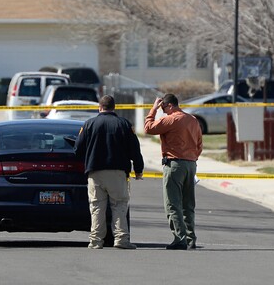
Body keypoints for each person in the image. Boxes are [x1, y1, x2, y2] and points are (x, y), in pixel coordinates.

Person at [74, 95, 144, 249]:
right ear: (114, 107)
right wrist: (138, 170)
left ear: (100, 107)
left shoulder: (89, 124)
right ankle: (121, 240)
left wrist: (86, 161)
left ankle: (96, 241)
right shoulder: (124, 124)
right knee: (119, 205)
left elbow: (78, 149)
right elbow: (135, 150)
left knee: (97, 207)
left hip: (95, 173)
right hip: (117, 173)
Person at [144, 93, 203, 250]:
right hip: (191, 164)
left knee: (172, 203)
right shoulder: (193, 120)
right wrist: (191, 158)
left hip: (175, 164)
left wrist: (153, 109)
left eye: (164, 108)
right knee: (188, 204)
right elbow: (199, 145)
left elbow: (148, 128)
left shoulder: (171, 119)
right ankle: (191, 238)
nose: (163, 111)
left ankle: (180, 238)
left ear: (169, 105)